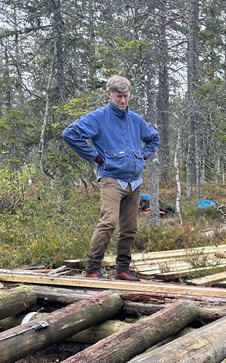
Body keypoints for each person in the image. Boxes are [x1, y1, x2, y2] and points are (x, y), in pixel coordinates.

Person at [62, 75, 160, 280]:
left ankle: (122, 269)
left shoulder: (135, 120)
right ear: (109, 95)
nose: (122, 101)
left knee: (130, 228)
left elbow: (154, 137)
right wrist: (96, 157)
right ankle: (92, 269)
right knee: (108, 222)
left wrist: (142, 155)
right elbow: (70, 134)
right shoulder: (98, 118)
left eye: (125, 96)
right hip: (111, 179)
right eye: (118, 97)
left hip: (134, 181)